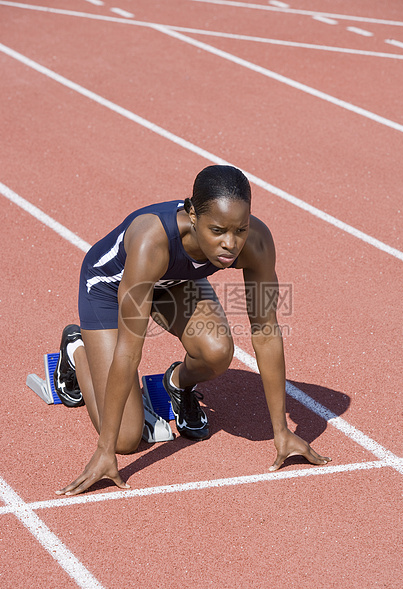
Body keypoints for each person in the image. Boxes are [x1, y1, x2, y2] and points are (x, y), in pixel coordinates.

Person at [54, 165, 331, 496]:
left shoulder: (255, 242)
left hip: (174, 281)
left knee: (216, 351)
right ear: (192, 214)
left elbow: (267, 332)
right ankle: (76, 349)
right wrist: (105, 450)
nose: (230, 244)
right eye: (217, 230)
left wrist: (281, 431)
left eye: (239, 229)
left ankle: (176, 384)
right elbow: (129, 351)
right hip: (110, 289)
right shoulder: (151, 241)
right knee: (127, 438)